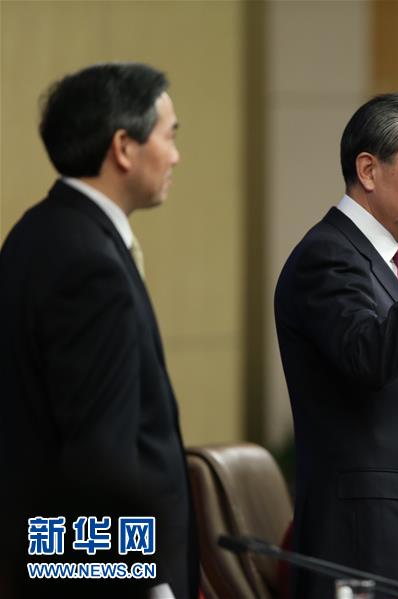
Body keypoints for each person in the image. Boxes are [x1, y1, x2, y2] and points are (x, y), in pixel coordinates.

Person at [0, 63, 194, 598]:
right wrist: (149, 582)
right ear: (123, 148)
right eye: (169, 136)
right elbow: (100, 456)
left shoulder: (37, 232)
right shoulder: (89, 264)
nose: (176, 156)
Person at [274, 92, 398, 597]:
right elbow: (370, 357)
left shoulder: (381, 262)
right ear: (368, 170)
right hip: (365, 545)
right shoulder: (328, 255)